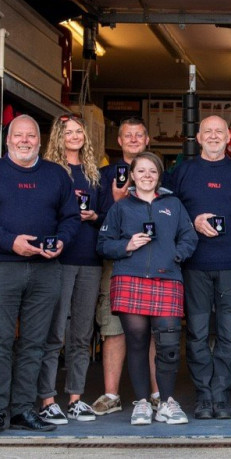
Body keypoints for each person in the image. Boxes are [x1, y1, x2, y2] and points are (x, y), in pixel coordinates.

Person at [0, 115, 80, 436]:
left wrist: (62, 241)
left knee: (34, 343)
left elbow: (71, 218)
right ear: (8, 139)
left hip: (46, 270)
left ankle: (23, 409)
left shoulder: (56, 175)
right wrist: (9, 241)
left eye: (31, 136)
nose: (24, 141)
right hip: (1, 267)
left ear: (40, 142)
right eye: (18, 135)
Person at [171, 115, 231, 420]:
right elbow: (165, 213)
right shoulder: (181, 172)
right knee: (197, 334)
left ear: (229, 138)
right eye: (207, 132)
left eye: (219, 132)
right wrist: (192, 221)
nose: (213, 136)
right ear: (198, 138)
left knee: (227, 335)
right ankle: (203, 396)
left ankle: (220, 396)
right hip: (194, 266)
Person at [97, 151, 197, 426]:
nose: (146, 176)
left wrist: (176, 255)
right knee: (137, 343)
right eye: (141, 171)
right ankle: (141, 402)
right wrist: (126, 245)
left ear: (159, 175)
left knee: (168, 346)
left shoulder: (173, 204)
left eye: (152, 171)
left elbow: (189, 235)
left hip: (167, 279)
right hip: (130, 278)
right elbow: (103, 243)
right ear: (132, 175)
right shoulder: (121, 207)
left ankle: (166, 401)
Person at [91, 117, 162, 415]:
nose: (133, 139)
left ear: (147, 140)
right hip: (117, 263)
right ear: (118, 141)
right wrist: (116, 201)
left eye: (139, 135)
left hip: (154, 263)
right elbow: (93, 221)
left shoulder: (161, 176)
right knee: (114, 328)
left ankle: (158, 394)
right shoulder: (101, 176)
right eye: (127, 135)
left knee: (154, 330)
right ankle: (111, 395)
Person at [36, 114, 103, 425]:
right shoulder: (48, 171)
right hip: (59, 258)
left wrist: (93, 216)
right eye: (68, 132)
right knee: (54, 332)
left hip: (89, 258)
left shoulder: (92, 172)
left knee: (82, 334)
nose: (75, 136)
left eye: (79, 131)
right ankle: (47, 399)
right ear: (57, 137)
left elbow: (106, 216)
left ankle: (76, 397)